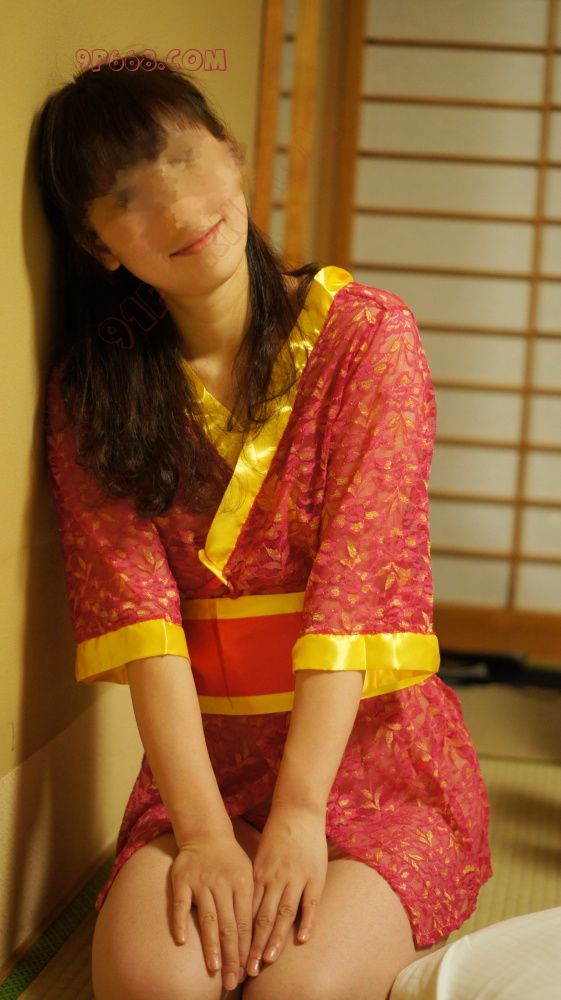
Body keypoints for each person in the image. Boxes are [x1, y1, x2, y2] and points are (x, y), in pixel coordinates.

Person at [37, 56, 492, 1000]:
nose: (176, 204)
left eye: (183, 156)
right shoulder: (93, 392)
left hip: (375, 768)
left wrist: (297, 815)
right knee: (156, 986)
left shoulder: (369, 337)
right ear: (96, 243)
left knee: (296, 992)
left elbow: (353, 598)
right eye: (126, 194)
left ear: (232, 153)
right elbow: (142, 624)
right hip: (202, 777)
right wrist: (205, 834)